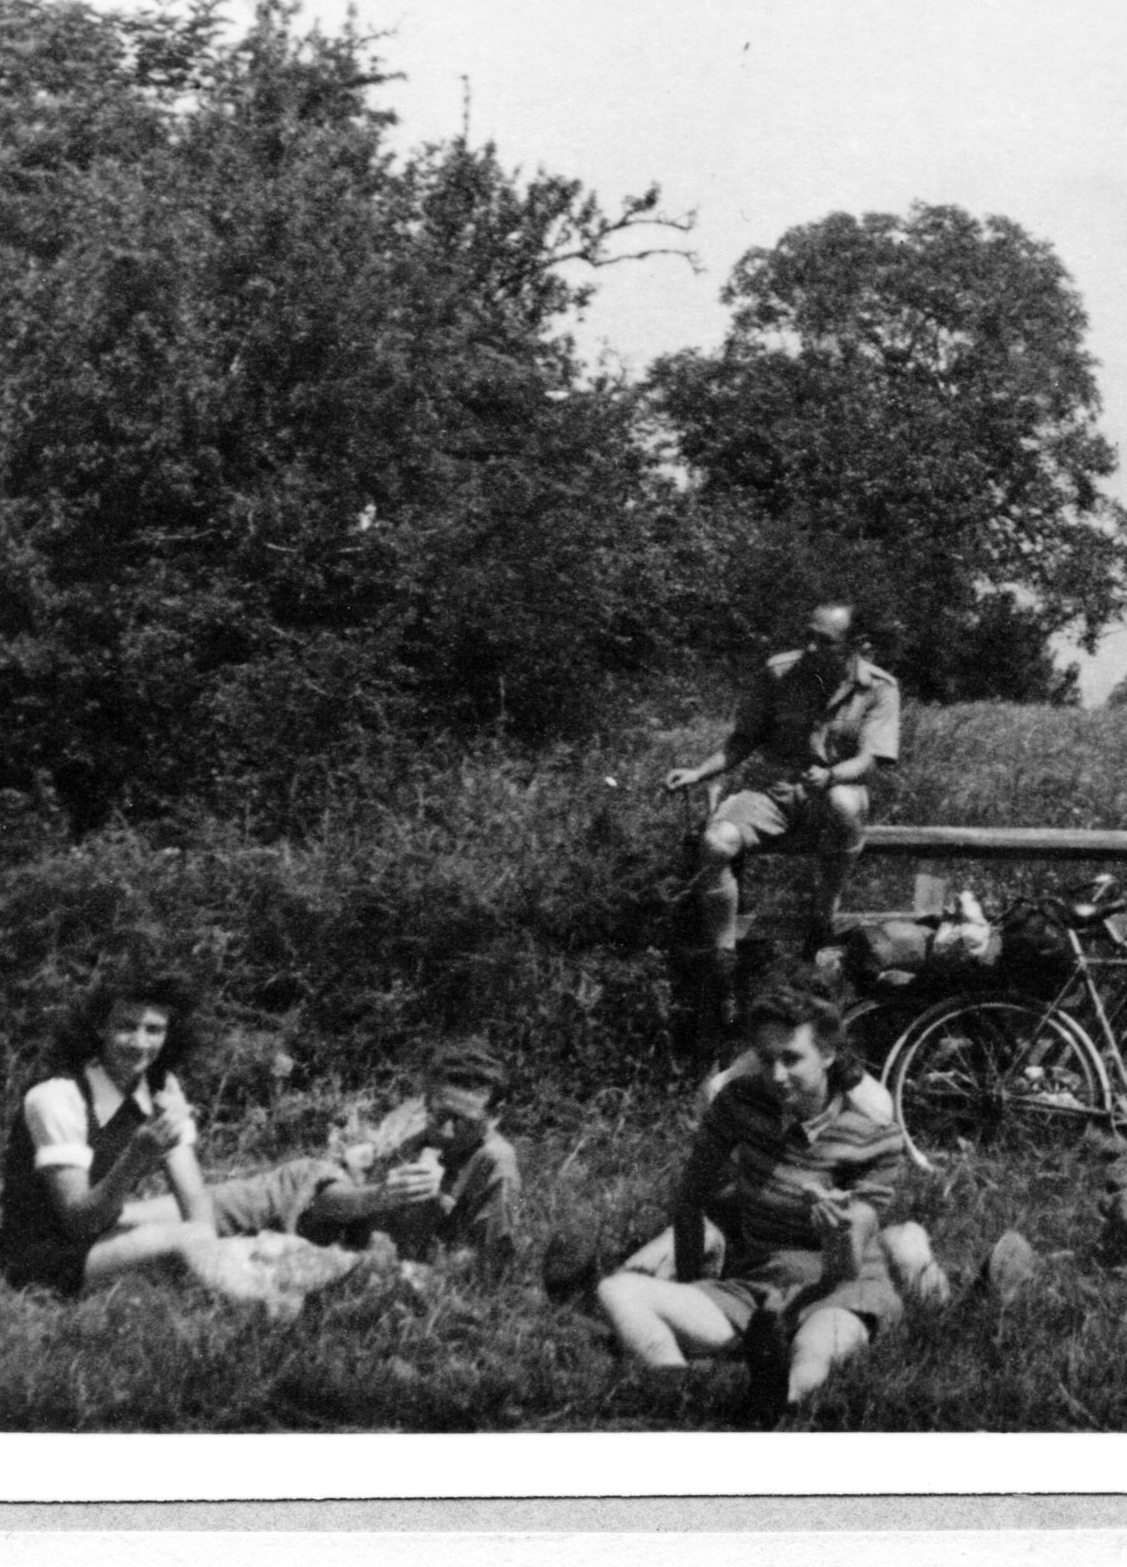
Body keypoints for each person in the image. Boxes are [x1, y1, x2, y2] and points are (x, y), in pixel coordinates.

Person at [595, 979, 912, 1422]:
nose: (776, 1075)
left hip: (840, 1285)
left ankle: (779, 1399)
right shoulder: (740, 1102)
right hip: (753, 1288)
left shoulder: (874, 1136)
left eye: (791, 1058)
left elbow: (846, 1267)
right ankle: (676, 1385)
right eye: (766, 1059)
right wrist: (691, 1285)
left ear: (827, 1054)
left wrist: (838, 1230)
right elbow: (691, 1198)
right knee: (617, 1291)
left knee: (815, 1347)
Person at [662, 601, 901, 1036]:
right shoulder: (779, 672)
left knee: (844, 804)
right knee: (715, 842)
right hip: (771, 790)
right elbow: (743, 740)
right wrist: (699, 772)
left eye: (824, 641)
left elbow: (870, 760)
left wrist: (831, 775)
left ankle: (823, 916)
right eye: (808, 636)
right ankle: (723, 965)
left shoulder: (879, 688)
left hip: (832, 790)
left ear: (856, 644)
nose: (810, 647)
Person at [0, 975, 226, 1296]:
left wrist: (210, 1253)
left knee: (201, 1228)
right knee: (184, 1238)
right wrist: (136, 1157)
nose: (140, 1043)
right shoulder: (58, 1096)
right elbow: (79, 1223)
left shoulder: (159, 1088)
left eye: (154, 1030)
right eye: (126, 1027)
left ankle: (229, 1286)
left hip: (101, 1234)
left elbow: (193, 1196)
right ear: (101, 1028)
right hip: (37, 1259)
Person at [210, 1038, 524, 1279]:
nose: (446, 1130)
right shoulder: (413, 1121)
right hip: (303, 1196)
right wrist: (381, 1195)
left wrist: (405, 1272)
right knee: (196, 1210)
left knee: (209, 1258)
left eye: (464, 1121)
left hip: (342, 1254)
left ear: (495, 1117)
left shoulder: (494, 1164)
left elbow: (487, 1262)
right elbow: (324, 1197)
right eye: (437, 1113)